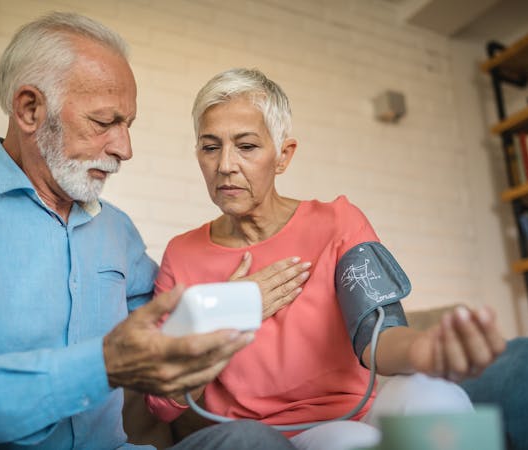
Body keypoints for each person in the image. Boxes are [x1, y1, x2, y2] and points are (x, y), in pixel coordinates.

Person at [0, 14, 305, 450]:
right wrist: (101, 366)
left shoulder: (116, 229)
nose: (124, 148)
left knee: (250, 441)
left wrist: (234, 303)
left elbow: (166, 324)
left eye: (128, 125)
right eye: (104, 123)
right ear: (29, 109)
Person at [144, 68, 507, 449]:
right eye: (210, 146)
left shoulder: (338, 222)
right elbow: (160, 404)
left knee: (437, 395)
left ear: (283, 155)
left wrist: (427, 351)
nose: (225, 165)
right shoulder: (182, 255)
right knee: (352, 442)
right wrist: (229, 310)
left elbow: (377, 335)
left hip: (359, 414)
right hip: (265, 439)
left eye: (247, 146)